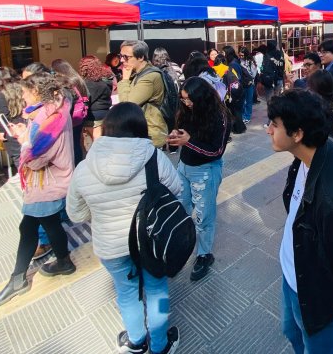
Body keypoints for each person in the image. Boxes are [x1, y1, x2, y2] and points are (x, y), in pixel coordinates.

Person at [66, 102, 182, 354]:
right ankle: (160, 345)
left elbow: (76, 214)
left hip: (111, 247)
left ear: (107, 128)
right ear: (140, 127)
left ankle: (136, 341)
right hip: (150, 241)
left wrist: (101, 210)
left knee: (127, 293)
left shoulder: (85, 166)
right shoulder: (154, 157)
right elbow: (177, 189)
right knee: (157, 291)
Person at [268, 89, 333, 353]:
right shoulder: (305, 156)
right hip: (291, 269)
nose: (268, 130)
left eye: (274, 124)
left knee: (317, 345)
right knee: (291, 330)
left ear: (297, 134)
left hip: (312, 288)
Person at [0, 72, 76, 308]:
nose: (23, 99)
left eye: (25, 93)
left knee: (28, 229)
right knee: (49, 224)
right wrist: (27, 133)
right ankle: (64, 262)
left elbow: (35, 159)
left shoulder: (50, 120)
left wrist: (23, 140)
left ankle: (18, 280)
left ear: (36, 92)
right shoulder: (55, 110)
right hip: (51, 180)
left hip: (46, 182)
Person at [167, 76, 231, 281]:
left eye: (189, 99)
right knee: (180, 209)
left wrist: (188, 141)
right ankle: (180, 247)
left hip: (206, 171)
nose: (186, 103)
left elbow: (216, 151)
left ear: (201, 97)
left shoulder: (220, 116)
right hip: (183, 167)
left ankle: (204, 254)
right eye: (183, 99)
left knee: (204, 216)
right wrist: (175, 137)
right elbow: (182, 135)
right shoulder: (186, 110)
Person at [118, 40, 168, 148]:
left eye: (126, 57)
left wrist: (125, 80)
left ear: (140, 57)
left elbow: (127, 105)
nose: (121, 60)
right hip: (142, 132)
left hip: (149, 134)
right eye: (120, 56)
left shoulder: (149, 77)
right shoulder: (138, 73)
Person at [52, 59, 89, 166]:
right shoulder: (77, 79)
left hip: (71, 119)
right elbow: (87, 95)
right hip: (79, 116)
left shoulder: (66, 83)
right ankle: (79, 165)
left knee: (71, 145)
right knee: (77, 143)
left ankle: (74, 166)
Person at [0, 67, 24, 171]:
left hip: (12, 128)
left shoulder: (0, 93)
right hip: (25, 124)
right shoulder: (22, 87)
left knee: (18, 157)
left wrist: (1, 131)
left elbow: (3, 114)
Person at [78, 55, 114, 145]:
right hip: (105, 115)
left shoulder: (90, 83)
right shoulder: (105, 80)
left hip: (93, 118)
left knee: (94, 144)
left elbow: (86, 102)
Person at [222, 45, 246, 134]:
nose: (222, 54)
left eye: (223, 52)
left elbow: (236, 78)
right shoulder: (234, 62)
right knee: (236, 110)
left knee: (236, 110)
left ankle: (239, 128)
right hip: (237, 89)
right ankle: (239, 127)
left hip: (236, 90)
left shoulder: (232, 64)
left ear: (227, 53)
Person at [261, 40, 286, 104]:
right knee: (277, 99)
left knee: (270, 100)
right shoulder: (280, 53)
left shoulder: (267, 55)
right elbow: (283, 65)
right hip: (279, 79)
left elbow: (264, 67)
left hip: (269, 80)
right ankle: (276, 109)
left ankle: (271, 110)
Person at [239, 46, 259, 123]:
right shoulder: (238, 61)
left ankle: (247, 116)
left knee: (249, 101)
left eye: (242, 55)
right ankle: (243, 115)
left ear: (246, 54)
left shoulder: (251, 61)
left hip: (250, 83)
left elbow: (254, 72)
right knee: (242, 101)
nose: (241, 57)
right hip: (242, 83)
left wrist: (251, 79)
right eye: (240, 55)